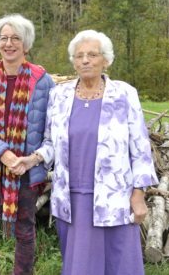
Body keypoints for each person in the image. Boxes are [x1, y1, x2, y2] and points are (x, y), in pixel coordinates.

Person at [35, 30, 159, 275]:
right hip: (72, 199)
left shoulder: (124, 94)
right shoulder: (58, 96)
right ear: (73, 61)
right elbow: (50, 142)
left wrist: (138, 195)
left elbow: (141, 148)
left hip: (116, 196)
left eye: (92, 54)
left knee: (120, 263)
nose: (85, 60)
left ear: (106, 60)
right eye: (79, 55)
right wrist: (34, 158)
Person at [0, 14, 55, 275]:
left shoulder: (43, 82)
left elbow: (52, 129)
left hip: (25, 170)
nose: (9, 43)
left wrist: (31, 159)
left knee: (25, 231)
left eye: (15, 38)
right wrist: (3, 153)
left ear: (26, 44)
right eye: (3, 38)